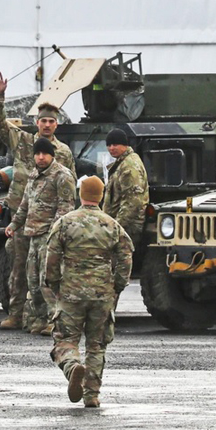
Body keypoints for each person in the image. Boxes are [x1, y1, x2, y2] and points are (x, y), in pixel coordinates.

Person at [0, 71, 75, 331]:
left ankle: (45, 317)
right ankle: (17, 313)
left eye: (51, 121)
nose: (46, 125)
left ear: (56, 124)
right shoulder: (24, 142)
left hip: (50, 222)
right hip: (23, 215)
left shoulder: (63, 153)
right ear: (36, 123)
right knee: (19, 267)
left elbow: (70, 188)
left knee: (47, 271)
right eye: (43, 121)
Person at [45, 175, 133, 408]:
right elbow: (126, 257)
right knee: (97, 345)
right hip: (102, 293)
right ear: (101, 196)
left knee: (65, 340)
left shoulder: (65, 223)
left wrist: (55, 285)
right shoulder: (112, 225)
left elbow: (51, 259)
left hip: (71, 292)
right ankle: (91, 395)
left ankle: (74, 368)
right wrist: (117, 286)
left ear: (80, 195)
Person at [5, 138, 76, 336]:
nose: (41, 157)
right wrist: (14, 224)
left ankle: (56, 321)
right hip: (32, 235)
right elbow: (25, 205)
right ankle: (39, 319)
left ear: (52, 155)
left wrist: (54, 233)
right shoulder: (34, 175)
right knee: (33, 281)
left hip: (49, 236)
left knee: (49, 281)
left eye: (44, 153)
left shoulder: (62, 175)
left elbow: (66, 207)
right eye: (37, 154)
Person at [102, 128, 149, 248]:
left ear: (125, 145)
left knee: (122, 263)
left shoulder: (129, 166)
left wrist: (117, 226)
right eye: (109, 145)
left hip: (128, 227)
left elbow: (132, 202)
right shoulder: (122, 163)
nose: (111, 148)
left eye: (115, 144)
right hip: (121, 225)